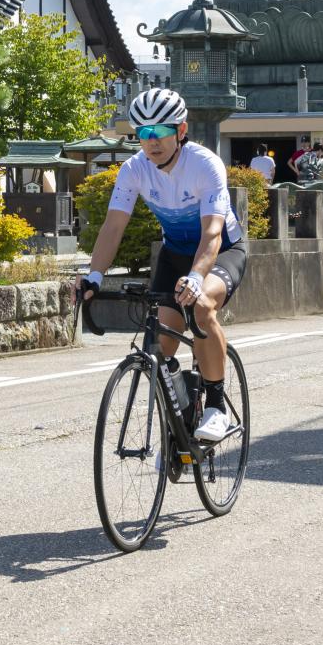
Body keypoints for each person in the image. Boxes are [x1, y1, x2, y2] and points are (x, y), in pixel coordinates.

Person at [79, 87, 246, 444]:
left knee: (201, 309)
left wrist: (198, 276)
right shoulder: (134, 169)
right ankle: (180, 424)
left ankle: (217, 405)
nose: (151, 142)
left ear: (181, 130)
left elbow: (213, 232)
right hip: (174, 256)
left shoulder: (205, 164)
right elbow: (113, 226)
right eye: (142, 134)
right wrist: (94, 275)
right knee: (160, 348)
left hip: (221, 251)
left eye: (160, 133)